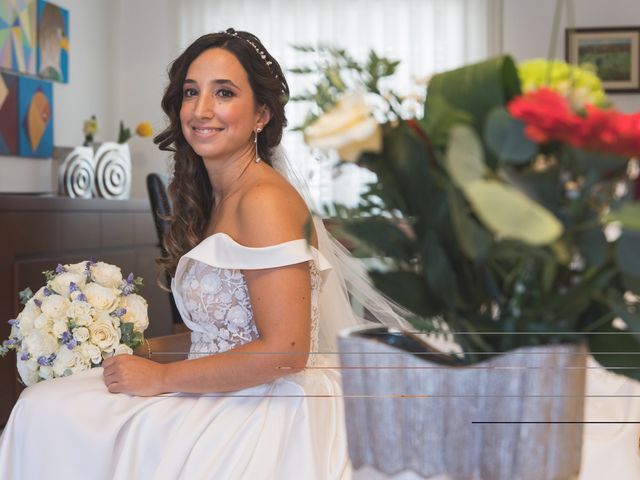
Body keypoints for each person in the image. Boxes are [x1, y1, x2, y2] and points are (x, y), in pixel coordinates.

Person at [0, 29, 355, 479]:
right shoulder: (223, 197)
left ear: (261, 113)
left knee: (52, 414)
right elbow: (223, 335)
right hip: (230, 385)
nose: (202, 109)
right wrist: (133, 350)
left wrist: (160, 380)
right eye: (192, 92)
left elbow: (285, 351)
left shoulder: (264, 201)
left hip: (264, 406)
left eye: (223, 92)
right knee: (54, 402)